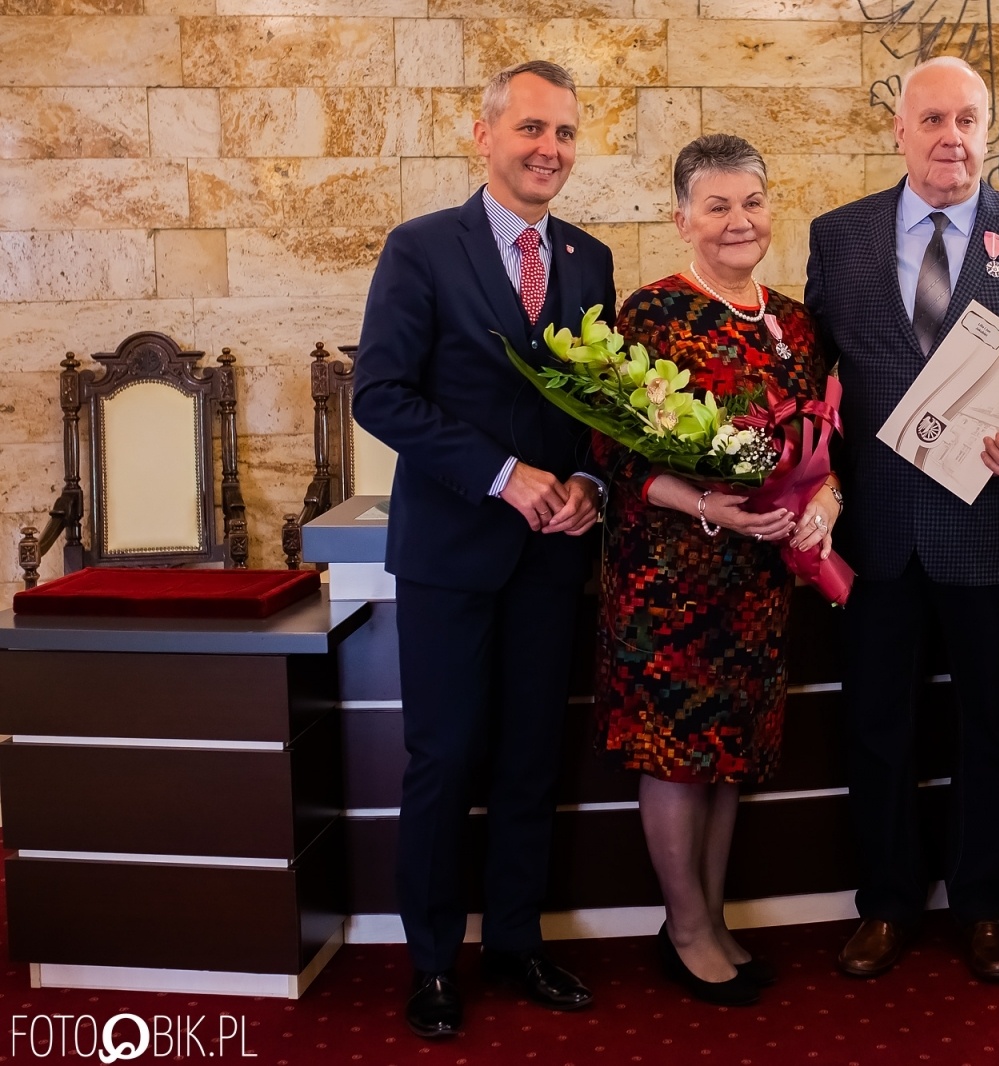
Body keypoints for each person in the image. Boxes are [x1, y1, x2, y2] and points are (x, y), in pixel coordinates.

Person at [805, 56, 999, 983]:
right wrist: (811, 479)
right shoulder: (838, 237)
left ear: (987, 131)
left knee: (992, 730)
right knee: (877, 728)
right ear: (898, 129)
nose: (952, 139)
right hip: (876, 536)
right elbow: (816, 385)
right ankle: (888, 904)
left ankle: (986, 906)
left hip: (992, 530)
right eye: (933, 120)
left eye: (968, 120)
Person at [352, 60, 616, 1038]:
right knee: (444, 756)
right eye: (531, 130)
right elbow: (379, 394)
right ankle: (431, 963)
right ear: (485, 133)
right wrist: (505, 474)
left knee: (527, 761)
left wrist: (591, 482)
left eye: (564, 134)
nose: (548, 149)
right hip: (451, 553)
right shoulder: (420, 249)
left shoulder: (589, 259)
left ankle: (515, 940)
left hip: (551, 560)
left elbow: (600, 405)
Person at [594, 134, 839, 1006]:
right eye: (718, 206)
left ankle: (709, 915)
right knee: (675, 755)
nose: (740, 222)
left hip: (760, 582)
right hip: (672, 580)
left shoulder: (798, 319)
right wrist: (709, 505)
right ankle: (686, 927)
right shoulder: (653, 315)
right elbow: (618, 456)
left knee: (729, 754)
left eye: (753, 203)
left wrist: (828, 498)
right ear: (683, 219)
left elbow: (821, 435)